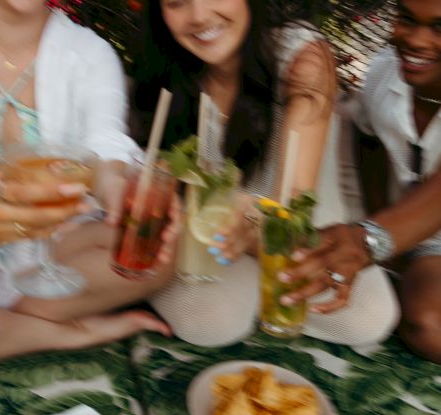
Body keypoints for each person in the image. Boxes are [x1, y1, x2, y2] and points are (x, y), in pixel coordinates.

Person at [129, 0, 399, 346]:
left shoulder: (301, 56)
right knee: (209, 322)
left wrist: (255, 226)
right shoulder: (165, 61)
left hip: (301, 225)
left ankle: (256, 298)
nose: (198, 16)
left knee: (367, 319)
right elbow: (167, 180)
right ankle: (249, 300)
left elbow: (294, 209)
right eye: (176, 2)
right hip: (218, 233)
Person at [0, 0, 179, 368]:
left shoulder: (87, 52)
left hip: (50, 247)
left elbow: (105, 141)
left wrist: (117, 186)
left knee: (156, 251)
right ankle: (59, 332)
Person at [281, 0, 441, 363]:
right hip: (405, 228)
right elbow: (369, 140)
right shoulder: (386, 70)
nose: (416, 40)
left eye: (439, 28)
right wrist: (379, 221)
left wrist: (368, 240)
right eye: (406, 19)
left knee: (431, 328)